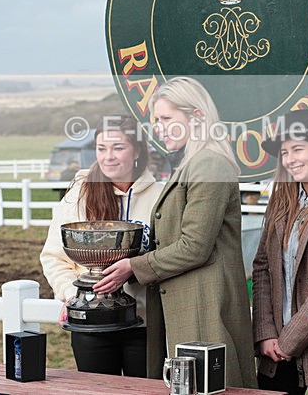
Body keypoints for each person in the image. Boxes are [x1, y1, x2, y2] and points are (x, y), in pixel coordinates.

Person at [93, 76, 257, 388]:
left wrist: (134, 266)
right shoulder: (190, 164)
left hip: (205, 308)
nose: (159, 127)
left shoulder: (210, 164)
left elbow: (195, 245)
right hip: (187, 306)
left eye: (167, 118)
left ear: (196, 116)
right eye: (157, 120)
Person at [40, 115, 163, 377]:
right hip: (91, 324)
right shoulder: (80, 193)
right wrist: (74, 297)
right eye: (101, 148)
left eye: (118, 147)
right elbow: (54, 256)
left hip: (145, 324)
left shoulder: (160, 196)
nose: (109, 157)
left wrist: (136, 268)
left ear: (138, 150)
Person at [252, 109, 308, 395]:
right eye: (285, 152)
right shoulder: (282, 202)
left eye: (298, 149)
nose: (290, 159)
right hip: (275, 347)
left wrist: (289, 341)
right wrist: (266, 333)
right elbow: (262, 268)